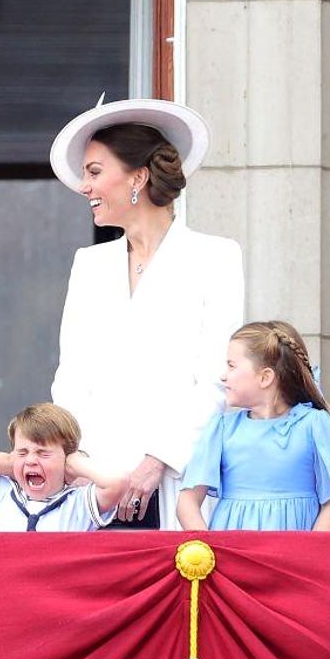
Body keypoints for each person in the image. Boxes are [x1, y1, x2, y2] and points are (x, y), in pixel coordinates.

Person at [49, 97, 245, 530]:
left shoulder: (215, 257)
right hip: (94, 487)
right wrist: (77, 461)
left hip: (176, 483)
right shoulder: (89, 264)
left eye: (95, 172)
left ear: (138, 176)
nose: (85, 187)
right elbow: (72, 375)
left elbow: (218, 376)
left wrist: (158, 460)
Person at [177, 321, 330, 531]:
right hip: (234, 556)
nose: (223, 375)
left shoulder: (314, 424)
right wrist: (208, 550)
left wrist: (308, 554)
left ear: (265, 377)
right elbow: (187, 501)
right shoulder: (222, 429)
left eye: (231, 366)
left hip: (293, 556)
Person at [0, 403, 126, 531]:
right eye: (23, 452)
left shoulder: (78, 503)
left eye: (43, 453)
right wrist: (9, 464)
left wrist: (75, 463)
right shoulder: (1, 494)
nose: (31, 461)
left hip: (55, 590)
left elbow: (118, 483)